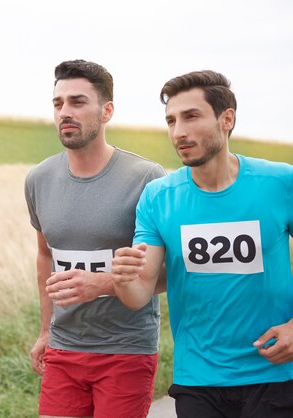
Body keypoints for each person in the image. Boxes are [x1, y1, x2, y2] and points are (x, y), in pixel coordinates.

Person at [111, 70, 293, 417]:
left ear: (227, 119)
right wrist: (124, 279)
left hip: (275, 371)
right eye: (171, 121)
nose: (178, 132)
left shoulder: (280, 182)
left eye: (191, 116)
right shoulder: (158, 197)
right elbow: (138, 293)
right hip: (199, 378)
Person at [24, 59, 167, 418]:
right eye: (58, 104)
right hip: (64, 347)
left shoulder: (147, 178)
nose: (64, 112)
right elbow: (45, 256)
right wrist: (45, 330)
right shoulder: (38, 179)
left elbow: (170, 270)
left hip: (126, 350)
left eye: (77, 102)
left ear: (107, 111)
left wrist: (101, 284)